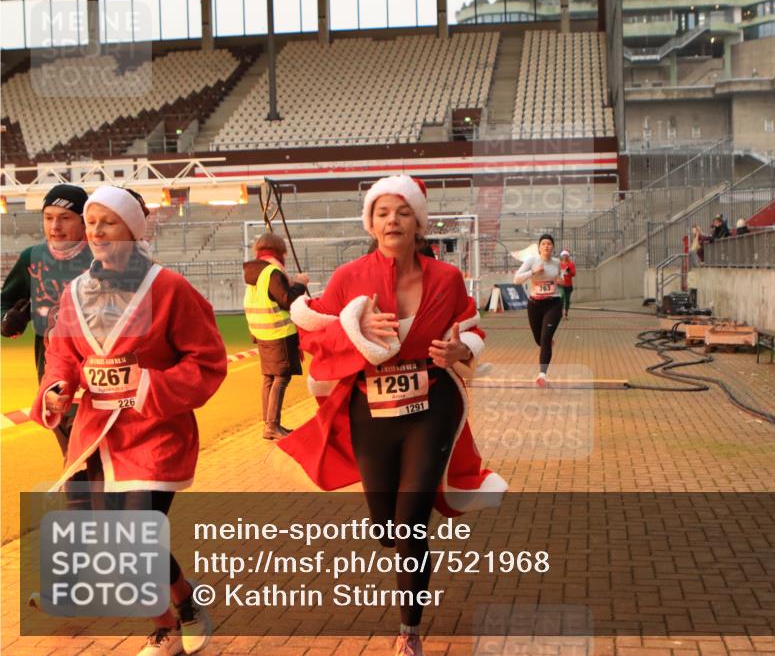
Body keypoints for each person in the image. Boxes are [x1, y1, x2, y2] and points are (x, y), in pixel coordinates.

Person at [277, 175, 506, 656]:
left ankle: (409, 631)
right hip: (370, 411)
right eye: (382, 212)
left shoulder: (446, 278)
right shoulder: (348, 278)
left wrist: (461, 349)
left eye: (402, 212)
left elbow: (471, 330)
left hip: (432, 408)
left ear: (418, 222)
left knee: (410, 523)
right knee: (386, 527)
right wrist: (353, 326)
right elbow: (313, 336)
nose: (392, 220)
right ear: (371, 223)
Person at [30, 185, 228, 656]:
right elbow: (63, 356)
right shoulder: (75, 293)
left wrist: (149, 385)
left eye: (108, 222)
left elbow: (207, 361)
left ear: (133, 229)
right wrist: (56, 388)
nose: (97, 232)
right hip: (97, 436)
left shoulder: (170, 288)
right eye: (91, 223)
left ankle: (171, 623)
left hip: (155, 430)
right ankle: (179, 609)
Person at [1, 184, 93, 507]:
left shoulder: (104, 257)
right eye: (49, 217)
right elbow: (5, 302)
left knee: (91, 462)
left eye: (65, 218)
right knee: (79, 462)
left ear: (84, 221)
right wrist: (8, 320)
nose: (55, 226)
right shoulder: (32, 259)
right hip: (55, 380)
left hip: (102, 378)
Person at [243, 232, 309, 440]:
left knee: (269, 378)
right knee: (281, 377)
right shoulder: (272, 272)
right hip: (279, 333)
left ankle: (269, 423)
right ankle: (272, 425)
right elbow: (286, 299)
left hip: (262, 332)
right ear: (280, 250)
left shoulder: (255, 273)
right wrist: (300, 284)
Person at [514, 233, 565, 388]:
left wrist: (561, 280)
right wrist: (533, 272)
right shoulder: (532, 261)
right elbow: (516, 279)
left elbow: (562, 277)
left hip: (553, 303)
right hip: (535, 305)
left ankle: (542, 375)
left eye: (549, 244)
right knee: (539, 340)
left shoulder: (557, 263)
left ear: (553, 247)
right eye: (543, 244)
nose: (546, 246)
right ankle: (546, 341)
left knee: (545, 339)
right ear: (539, 247)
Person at [558, 249, 576, 320]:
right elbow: (555, 272)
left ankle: (566, 313)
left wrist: (569, 271)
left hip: (568, 285)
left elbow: (574, 274)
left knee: (567, 300)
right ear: (561, 256)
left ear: (568, 256)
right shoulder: (558, 264)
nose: (564, 257)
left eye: (566, 255)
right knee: (561, 296)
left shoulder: (571, 264)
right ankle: (560, 313)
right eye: (563, 255)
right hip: (560, 284)